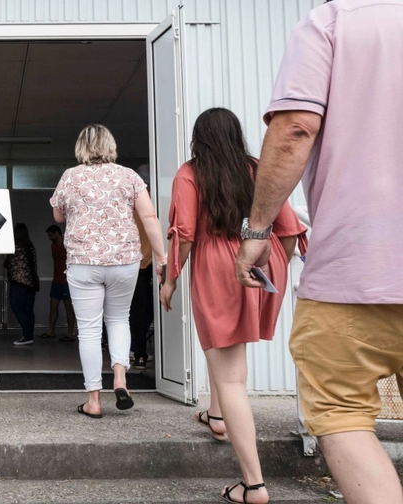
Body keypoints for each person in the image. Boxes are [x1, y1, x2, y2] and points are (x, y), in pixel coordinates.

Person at [235, 2, 403, 503]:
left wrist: (257, 231)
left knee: (342, 414)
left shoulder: (334, 22)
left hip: (354, 272)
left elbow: (294, 128)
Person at [160, 108, 307, 504]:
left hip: (217, 267)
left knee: (230, 378)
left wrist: (171, 279)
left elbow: (186, 234)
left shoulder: (191, 173)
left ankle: (254, 485)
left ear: (198, 138)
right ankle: (217, 415)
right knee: (223, 350)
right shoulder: (257, 167)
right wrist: (274, 264)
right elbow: (290, 229)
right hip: (260, 262)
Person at [50, 124, 166, 418]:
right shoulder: (129, 176)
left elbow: (58, 215)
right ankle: (120, 379)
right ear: (111, 146)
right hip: (124, 261)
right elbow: (149, 216)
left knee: (88, 331)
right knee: (118, 320)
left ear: (81, 148)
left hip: (84, 262)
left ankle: (93, 400)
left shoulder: (71, 177)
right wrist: (162, 257)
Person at [130, 163, 154, 370]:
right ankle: (138, 352)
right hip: (146, 266)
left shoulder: (129, 203)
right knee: (144, 312)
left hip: (135, 265)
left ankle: (136, 351)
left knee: (136, 312)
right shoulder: (150, 203)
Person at [36, 225, 76, 342]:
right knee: (53, 307)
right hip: (56, 281)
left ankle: (70, 333)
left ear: (57, 233)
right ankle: (51, 331)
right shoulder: (53, 246)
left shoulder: (66, 246)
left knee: (69, 308)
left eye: (51, 235)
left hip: (66, 282)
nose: (49, 238)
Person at [4, 223, 40, 346]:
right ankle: (29, 335)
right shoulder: (30, 247)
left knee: (17, 308)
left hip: (19, 283)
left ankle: (27, 334)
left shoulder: (15, 247)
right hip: (32, 284)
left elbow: (8, 264)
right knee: (28, 310)